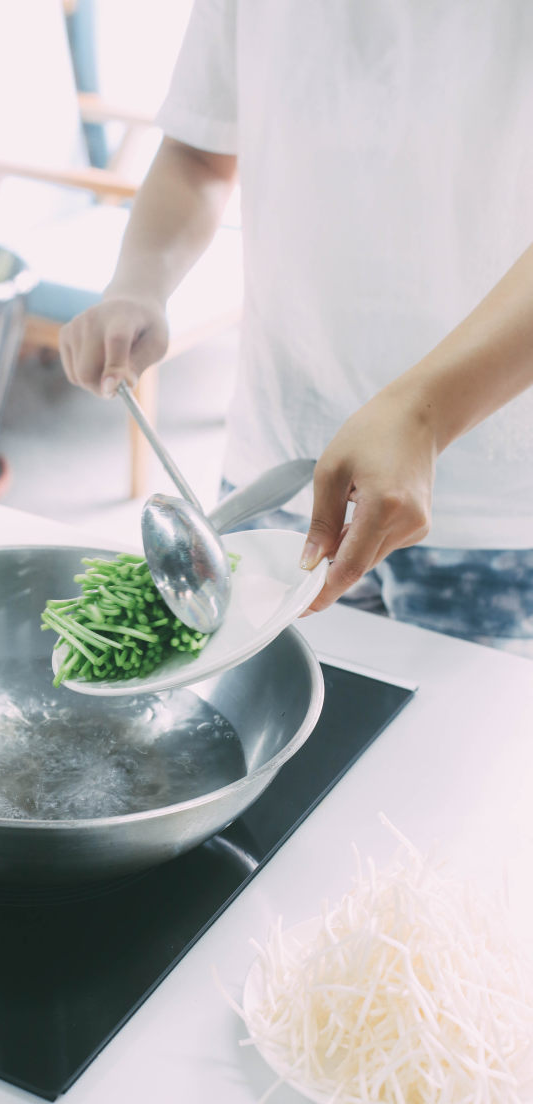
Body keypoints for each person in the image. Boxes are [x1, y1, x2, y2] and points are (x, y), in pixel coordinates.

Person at [59, 1, 533, 657]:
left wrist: (423, 416)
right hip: (275, 476)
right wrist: (139, 283)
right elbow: (199, 151)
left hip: (496, 510)